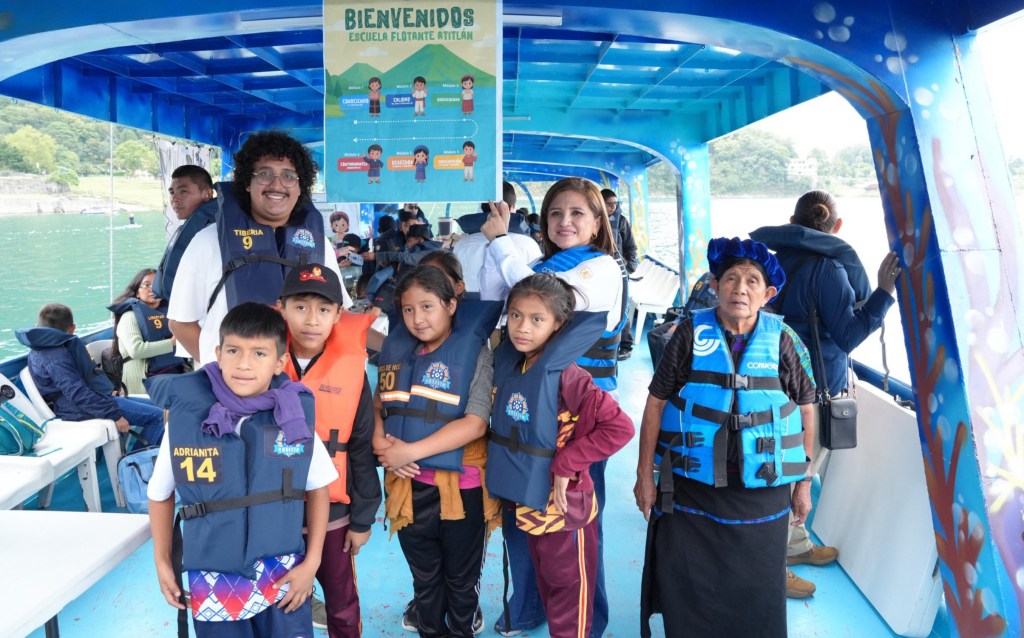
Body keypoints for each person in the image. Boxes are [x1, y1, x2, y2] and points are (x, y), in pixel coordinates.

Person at [634, 237, 816, 638]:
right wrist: (644, 474)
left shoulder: (785, 340)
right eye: (731, 278)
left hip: (762, 486)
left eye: (753, 281)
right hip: (694, 486)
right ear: (714, 287)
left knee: (758, 586)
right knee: (691, 581)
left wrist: (803, 483)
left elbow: (806, 410)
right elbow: (655, 404)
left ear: (768, 294)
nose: (740, 288)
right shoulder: (687, 335)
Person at [480, 177, 627, 637]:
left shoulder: (601, 268)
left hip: (573, 425)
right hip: (522, 421)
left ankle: (586, 619)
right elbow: (495, 298)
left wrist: (502, 242)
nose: (565, 221)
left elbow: (538, 291)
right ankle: (525, 607)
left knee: (576, 533)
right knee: (520, 523)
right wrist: (497, 248)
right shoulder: (538, 262)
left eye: (577, 213)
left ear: (597, 222)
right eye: (555, 213)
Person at [146, 302, 333, 638]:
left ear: (280, 361)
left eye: (259, 354)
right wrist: (162, 562)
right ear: (218, 353)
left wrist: (313, 562)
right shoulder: (187, 421)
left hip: (283, 574)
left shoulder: (292, 417)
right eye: (233, 350)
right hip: (214, 580)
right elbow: (160, 494)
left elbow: (318, 488)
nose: (244, 364)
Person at [749, 189, 900, 597]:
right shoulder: (829, 269)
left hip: (771, 382)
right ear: (835, 228)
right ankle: (771, 571)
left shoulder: (776, 262)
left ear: (792, 222)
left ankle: (795, 547)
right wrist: (884, 293)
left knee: (781, 471)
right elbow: (849, 335)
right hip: (811, 391)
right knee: (789, 478)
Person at [374, 266, 502, 638]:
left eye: (427, 307)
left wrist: (409, 450)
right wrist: (380, 440)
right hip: (407, 489)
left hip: (461, 490)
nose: (417, 318)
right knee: (424, 578)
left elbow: (476, 422)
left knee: (461, 581)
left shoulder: (474, 352)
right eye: (409, 310)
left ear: (451, 305)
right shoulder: (397, 349)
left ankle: (461, 630)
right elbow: (378, 402)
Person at [168, 130, 350, 366]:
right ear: (246, 182)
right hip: (229, 392)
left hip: (298, 388)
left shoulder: (319, 245)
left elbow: (338, 313)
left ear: (300, 186)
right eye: (265, 174)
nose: (277, 185)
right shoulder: (207, 242)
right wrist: (222, 374)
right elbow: (180, 323)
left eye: (289, 176)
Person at [278, 264, 382, 638]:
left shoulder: (353, 371)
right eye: (301, 307)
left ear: (339, 314)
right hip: (275, 510)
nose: (312, 319)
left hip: (337, 512)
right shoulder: (260, 363)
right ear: (282, 308)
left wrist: (364, 517)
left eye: (324, 309)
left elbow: (361, 447)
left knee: (341, 601)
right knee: (282, 600)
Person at [16, 303, 165, 448]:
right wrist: (113, 415)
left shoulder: (39, 347)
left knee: (162, 407)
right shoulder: (56, 357)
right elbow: (77, 393)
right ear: (72, 328)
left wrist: (107, 391)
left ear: (38, 325)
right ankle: (135, 463)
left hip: (92, 399)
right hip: (75, 408)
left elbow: (84, 379)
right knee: (158, 417)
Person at [108, 268, 187, 395]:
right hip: (146, 382)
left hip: (174, 376)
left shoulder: (171, 315)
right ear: (137, 293)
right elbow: (136, 350)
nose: (153, 289)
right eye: (147, 285)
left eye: (157, 285)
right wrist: (173, 342)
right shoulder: (129, 317)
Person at [453, 182, 541, 296]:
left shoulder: (462, 244)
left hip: (470, 309)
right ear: (509, 208)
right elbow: (538, 285)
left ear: (482, 208)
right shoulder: (528, 244)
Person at [153, 164, 217, 303]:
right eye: (172, 192)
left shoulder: (213, 233)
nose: (175, 198)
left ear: (207, 194)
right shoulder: (190, 229)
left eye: (183, 191)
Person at [601, 189, 640, 360]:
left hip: (619, 273)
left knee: (622, 308)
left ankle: (625, 345)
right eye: (610, 204)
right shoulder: (592, 221)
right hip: (599, 272)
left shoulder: (621, 222)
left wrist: (629, 267)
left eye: (615, 204)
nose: (614, 207)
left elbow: (631, 248)